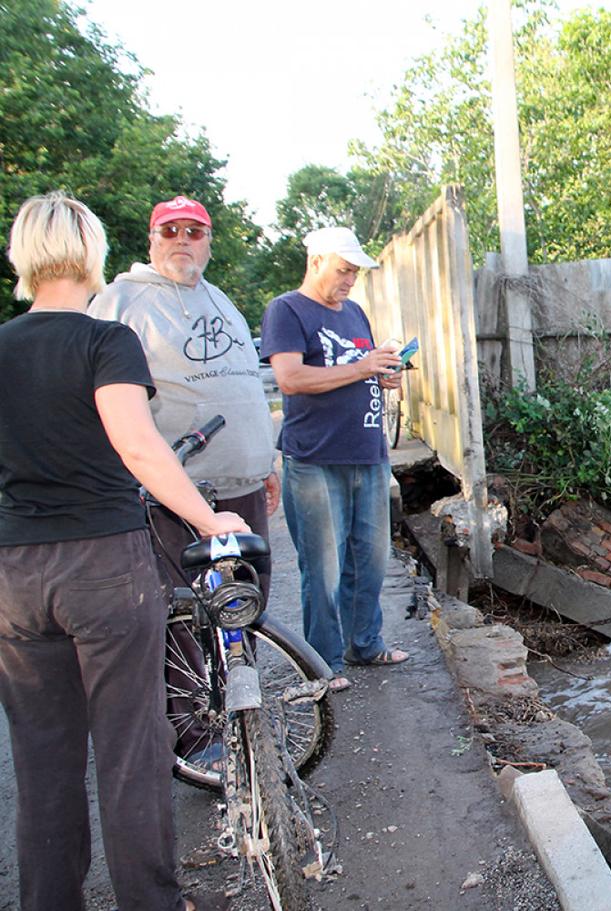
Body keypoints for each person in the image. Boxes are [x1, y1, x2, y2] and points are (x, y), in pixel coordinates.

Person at [0, 191, 248, 911]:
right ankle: (151, 901)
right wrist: (207, 519)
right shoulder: (104, 341)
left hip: (15, 576)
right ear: (93, 252)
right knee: (131, 751)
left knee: (42, 762)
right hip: (103, 568)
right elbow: (138, 445)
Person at [87, 194, 278, 767]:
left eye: (193, 231)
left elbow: (243, 387)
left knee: (247, 601)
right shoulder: (121, 300)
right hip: (178, 491)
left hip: (240, 484)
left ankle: (238, 706)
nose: (181, 240)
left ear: (208, 241)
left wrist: (263, 461)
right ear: (151, 240)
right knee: (183, 617)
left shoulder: (218, 299)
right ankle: (197, 739)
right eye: (169, 230)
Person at [260, 226, 409, 692]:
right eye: (344, 270)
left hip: (367, 452)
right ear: (316, 261)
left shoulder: (356, 313)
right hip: (316, 458)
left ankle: (365, 644)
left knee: (371, 560)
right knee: (322, 568)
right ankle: (323, 664)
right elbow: (290, 378)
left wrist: (384, 374)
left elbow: (355, 372)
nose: (349, 281)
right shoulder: (286, 309)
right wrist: (363, 367)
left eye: (355, 273)